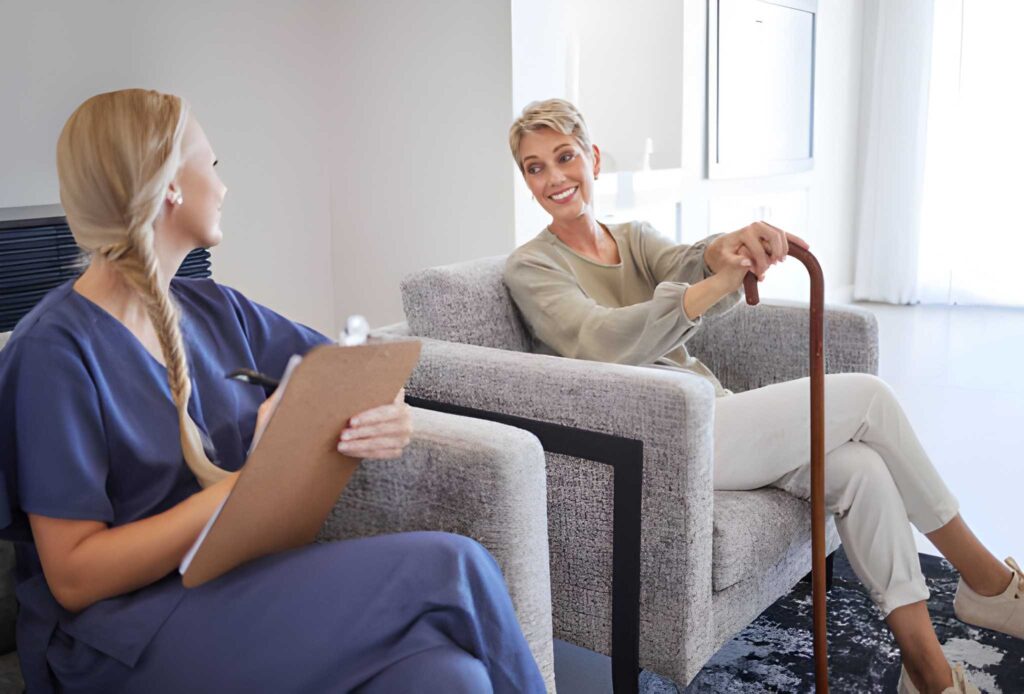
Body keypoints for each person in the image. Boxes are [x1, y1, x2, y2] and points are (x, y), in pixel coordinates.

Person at [0, 89, 545, 693]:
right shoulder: (52, 352)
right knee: (455, 567)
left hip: (238, 588)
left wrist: (390, 412)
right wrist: (247, 484)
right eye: (212, 164)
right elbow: (75, 576)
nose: (223, 186)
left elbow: (351, 366)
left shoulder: (215, 308)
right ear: (170, 187)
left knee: (448, 677)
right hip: (120, 637)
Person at [505, 98, 1021, 694]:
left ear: (592, 158)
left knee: (861, 470)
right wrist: (716, 280)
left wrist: (730, 248)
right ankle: (985, 582)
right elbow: (599, 341)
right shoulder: (532, 267)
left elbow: (690, 261)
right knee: (871, 399)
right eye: (535, 167)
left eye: (564, 157)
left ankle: (928, 674)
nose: (554, 178)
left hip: (714, 416)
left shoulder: (632, 239)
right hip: (661, 439)